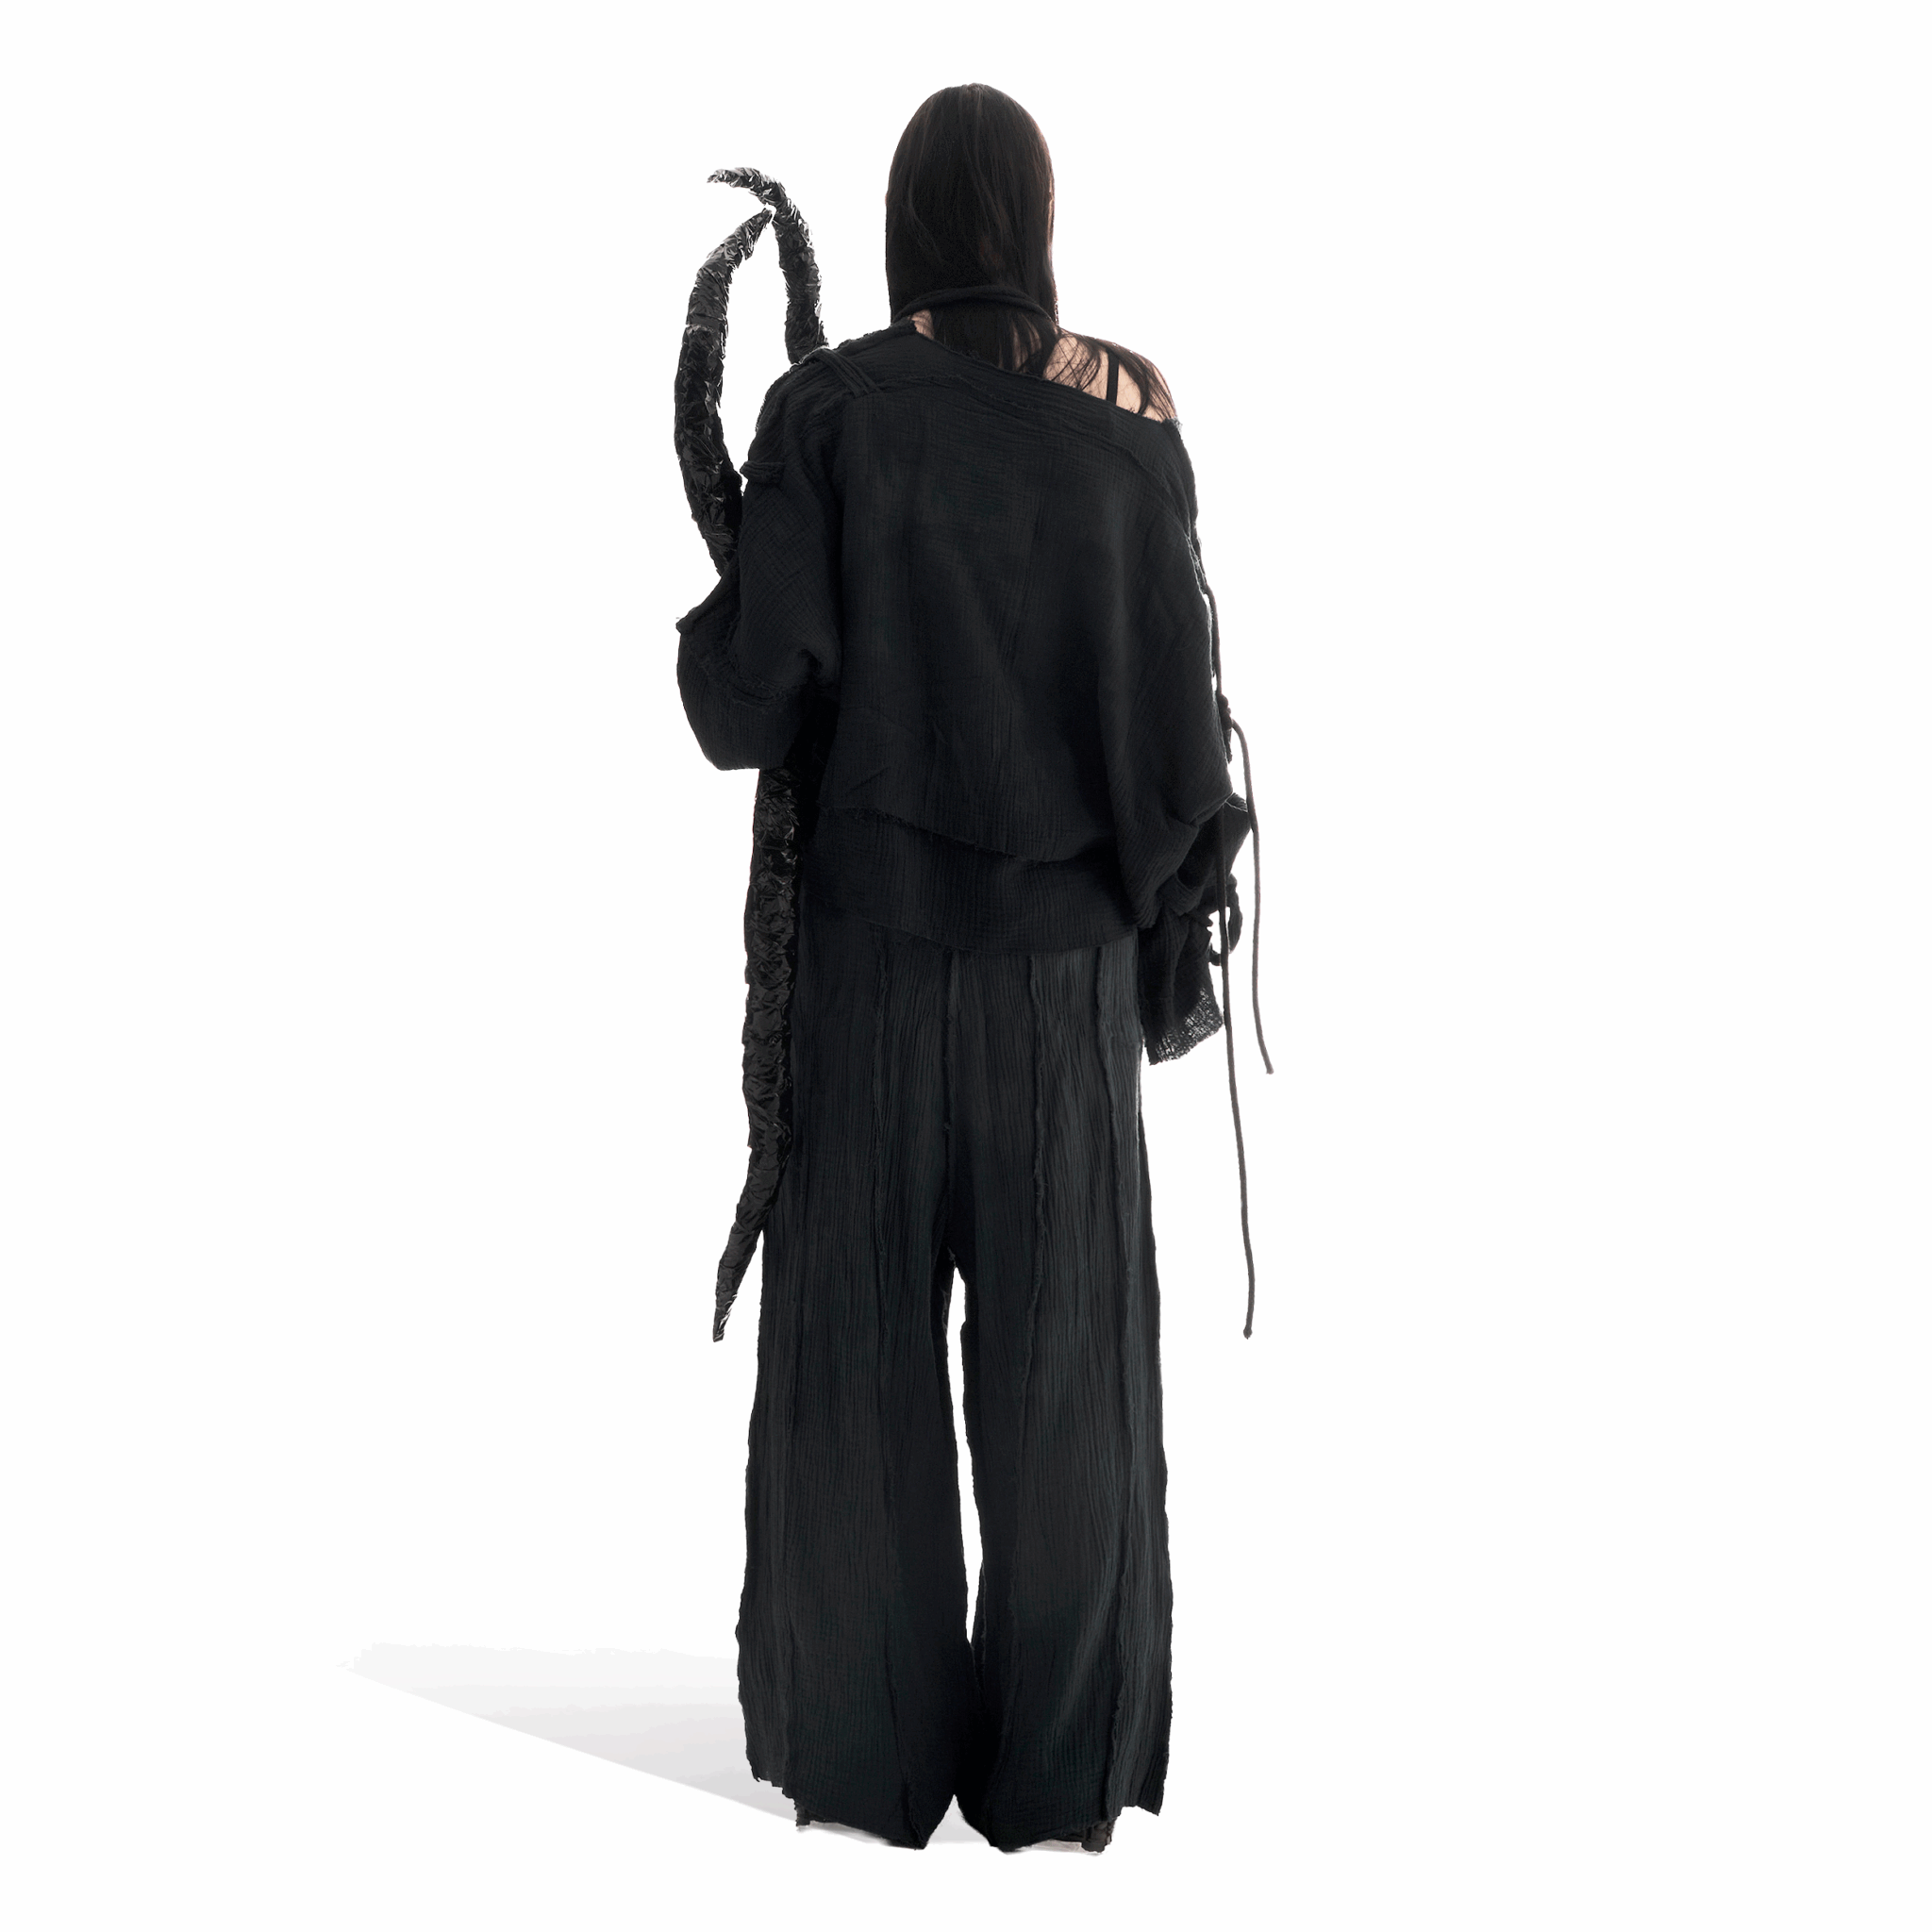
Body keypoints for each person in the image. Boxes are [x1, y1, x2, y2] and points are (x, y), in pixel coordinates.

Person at [675, 83, 1257, 1855]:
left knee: (854, 1363)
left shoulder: (828, 412)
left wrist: (724, 601)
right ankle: (1060, 1774)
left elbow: (745, 707)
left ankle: (866, 1762)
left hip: (865, 979)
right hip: (1063, 996)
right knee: (1070, 1379)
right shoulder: (1130, 418)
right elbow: (1178, 747)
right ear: (1038, 222)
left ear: (905, 227)